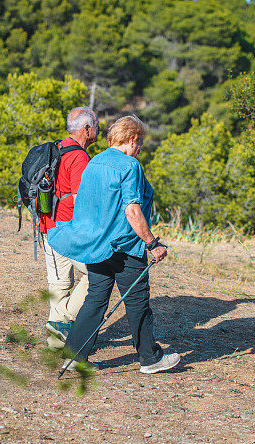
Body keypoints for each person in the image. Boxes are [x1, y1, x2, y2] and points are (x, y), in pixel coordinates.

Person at [47, 115, 180, 374]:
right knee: (137, 300)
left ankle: (75, 356)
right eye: (139, 142)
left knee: (95, 299)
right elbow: (132, 210)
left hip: (97, 245)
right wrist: (152, 243)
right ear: (131, 139)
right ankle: (150, 359)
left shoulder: (95, 162)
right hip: (124, 245)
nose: (139, 148)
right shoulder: (130, 165)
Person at [40, 106, 98, 348]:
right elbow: (80, 200)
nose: (99, 131)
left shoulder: (56, 149)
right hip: (68, 230)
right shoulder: (79, 157)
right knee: (96, 276)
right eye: (97, 127)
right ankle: (61, 321)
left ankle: (56, 341)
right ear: (87, 128)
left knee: (59, 283)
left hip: (46, 225)